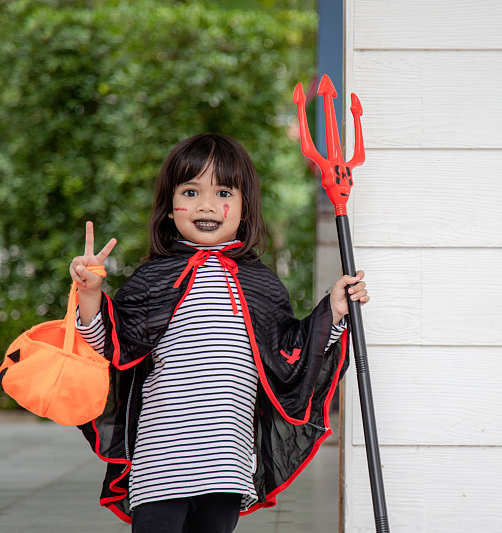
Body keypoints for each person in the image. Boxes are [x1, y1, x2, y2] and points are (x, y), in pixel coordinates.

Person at [68, 133, 368, 532]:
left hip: (226, 462)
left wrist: (332, 309)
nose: (206, 205)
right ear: (168, 208)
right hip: (161, 461)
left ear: (245, 208)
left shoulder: (260, 284)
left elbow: (289, 355)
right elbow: (111, 345)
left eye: (223, 191)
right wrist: (90, 295)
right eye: (190, 191)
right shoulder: (152, 279)